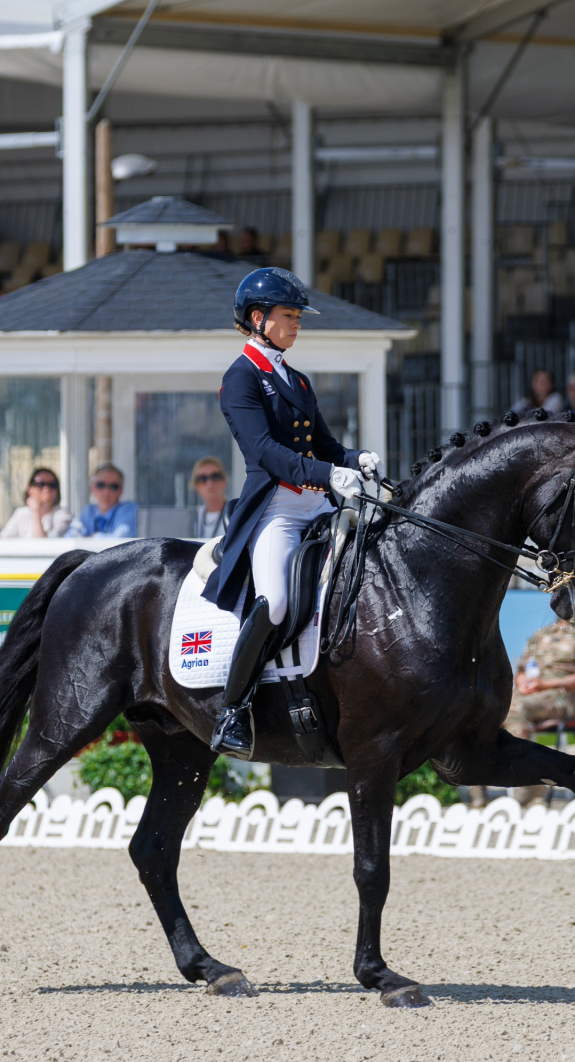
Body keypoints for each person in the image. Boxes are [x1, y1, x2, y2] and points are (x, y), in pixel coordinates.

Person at [203, 267, 376, 757]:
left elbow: (324, 444)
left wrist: (354, 459)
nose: (297, 324)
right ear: (259, 319)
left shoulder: (295, 378)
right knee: (275, 601)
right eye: (289, 316)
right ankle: (232, 711)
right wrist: (325, 473)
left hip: (318, 505)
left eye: (298, 316)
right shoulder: (240, 379)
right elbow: (262, 451)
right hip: (277, 511)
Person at [477, 618, 575, 809]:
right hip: (529, 694)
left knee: (516, 708)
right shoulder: (541, 634)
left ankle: (528, 784)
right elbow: (521, 671)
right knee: (483, 708)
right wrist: (522, 682)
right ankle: (477, 790)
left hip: (564, 697)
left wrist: (544, 685)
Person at [65, 464, 139, 538]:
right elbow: (70, 536)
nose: (106, 491)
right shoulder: (89, 511)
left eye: (113, 486)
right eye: (100, 485)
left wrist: (92, 538)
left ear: (121, 490)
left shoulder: (129, 510)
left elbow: (121, 538)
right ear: (92, 488)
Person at [0, 467, 70, 538]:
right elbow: (3, 538)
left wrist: (36, 512)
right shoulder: (21, 513)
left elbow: (43, 546)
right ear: (30, 489)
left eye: (52, 485)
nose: (47, 489)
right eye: (41, 484)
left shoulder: (63, 515)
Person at [189, 456, 231, 538]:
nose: (209, 483)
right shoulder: (192, 518)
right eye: (202, 478)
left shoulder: (235, 515)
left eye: (215, 476)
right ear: (196, 486)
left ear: (224, 481)